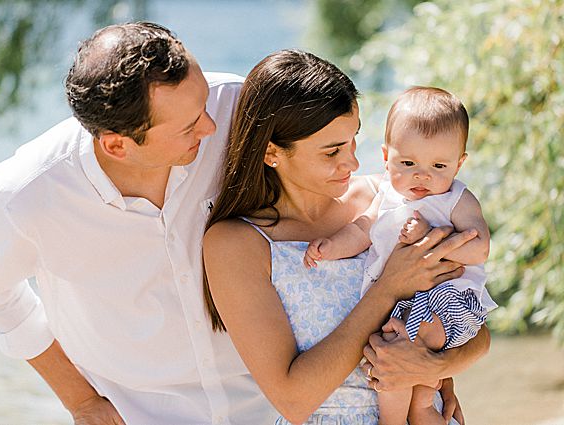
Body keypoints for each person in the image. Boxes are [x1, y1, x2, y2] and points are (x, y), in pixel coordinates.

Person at [0, 22, 272, 424]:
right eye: (189, 124)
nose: (211, 126)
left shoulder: (238, 108)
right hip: (140, 413)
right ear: (117, 145)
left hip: (277, 405)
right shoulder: (26, 194)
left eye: (205, 104)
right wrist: (80, 401)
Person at [201, 50, 490, 424]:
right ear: (272, 152)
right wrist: (389, 288)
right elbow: (293, 398)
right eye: (332, 151)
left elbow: (477, 328)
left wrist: (433, 368)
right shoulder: (237, 243)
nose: (353, 163)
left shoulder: (391, 199)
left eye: (353, 141)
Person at [300, 86, 496, 424]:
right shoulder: (386, 196)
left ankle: (420, 407)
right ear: (386, 155)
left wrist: (430, 239)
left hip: (448, 302)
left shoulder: (455, 199)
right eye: (407, 163)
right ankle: (397, 417)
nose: (422, 175)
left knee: (404, 352)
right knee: (388, 351)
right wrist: (331, 246)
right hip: (403, 306)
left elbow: (480, 248)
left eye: (439, 165)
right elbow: (362, 232)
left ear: (459, 163)